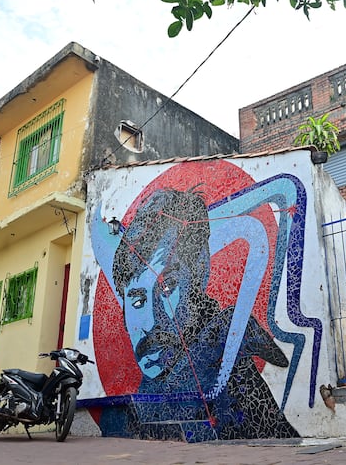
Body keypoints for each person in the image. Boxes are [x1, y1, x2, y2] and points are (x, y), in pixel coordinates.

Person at [109, 186, 299, 439]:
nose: (151, 323)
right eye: (136, 302)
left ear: (199, 279)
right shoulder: (137, 406)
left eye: (167, 288)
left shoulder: (227, 366)